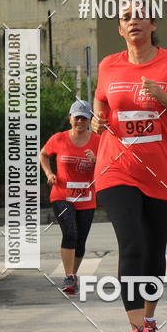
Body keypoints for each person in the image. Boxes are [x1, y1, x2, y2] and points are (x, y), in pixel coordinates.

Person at [92, 4, 167, 332]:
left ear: (153, 25)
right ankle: (137, 330)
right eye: (125, 18)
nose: (133, 20)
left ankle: (150, 320)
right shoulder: (108, 65)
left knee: (154, 251)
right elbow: (101, 102)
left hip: (163, 173)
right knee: (132, 245)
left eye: (139, 16)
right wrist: (97, 120)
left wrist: (164, 97)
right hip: (117, 169)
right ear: (120, 29)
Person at [40, 100, 100, 295]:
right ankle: (68, 276)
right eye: (77, 117)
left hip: (86, 197)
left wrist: (96, 160)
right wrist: (49, 173)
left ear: (90, 120)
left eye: (84, 118)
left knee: (80, 240)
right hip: (62, 194)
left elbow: (111, 164)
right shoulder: (59, 138)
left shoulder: (98, 141)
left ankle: (72, 275)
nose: (80, 121)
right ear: (70, 118)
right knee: (70, 233)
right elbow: (43, 154)